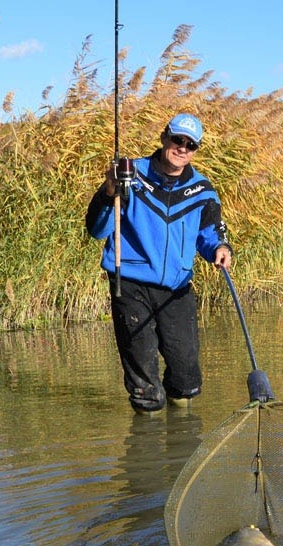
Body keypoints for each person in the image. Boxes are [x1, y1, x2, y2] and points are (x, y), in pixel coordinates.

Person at [85, 113, 233, 414]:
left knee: (186, 375)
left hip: (177, 288)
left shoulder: (202, 190)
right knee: (145, 385)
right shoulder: (131, 175)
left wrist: (219, 247)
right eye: (178, 140)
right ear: (164, 136)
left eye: (191, 145)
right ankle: (147, 442)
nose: (182, 148)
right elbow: (97, 229)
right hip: (131, 285)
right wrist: (109, 191)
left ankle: (182, 436)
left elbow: (210, 233)